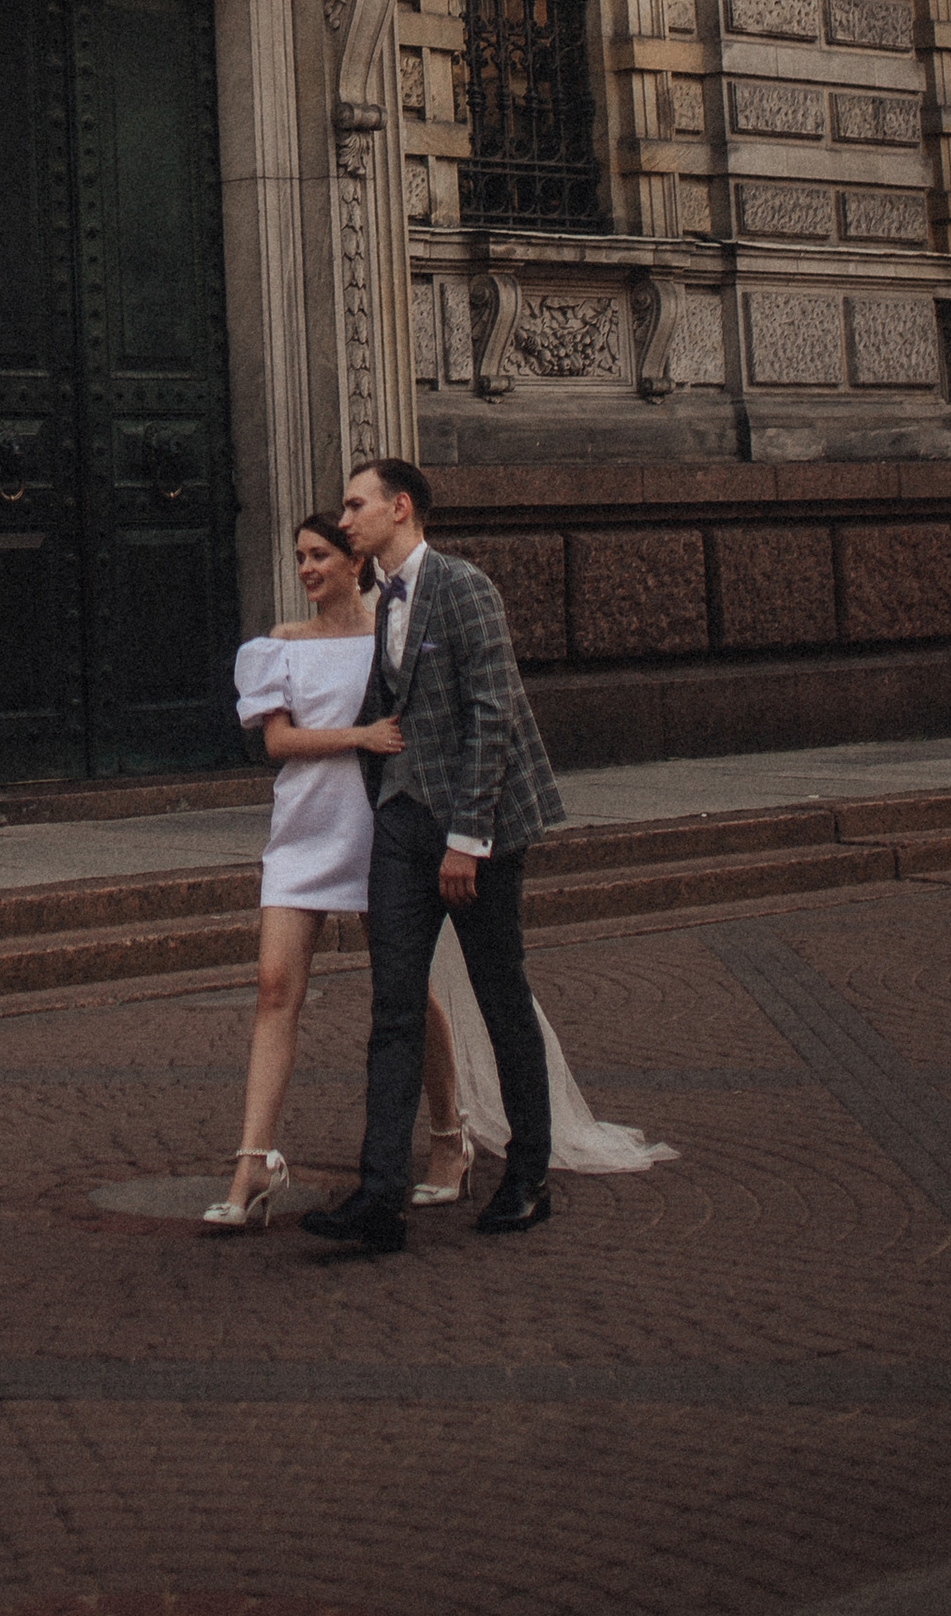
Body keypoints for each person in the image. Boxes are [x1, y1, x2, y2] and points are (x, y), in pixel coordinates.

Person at [209, 508, 670, 1231]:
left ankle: (448, 1137)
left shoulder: (397, 634)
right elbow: (277, 741)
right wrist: (360, 734)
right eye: (299, 556)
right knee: (274, 988)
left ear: (354, 561)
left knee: (405, 997)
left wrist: (462, 826)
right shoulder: (278, 647)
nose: (306, 569)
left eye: (320, 553)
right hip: (302, 833)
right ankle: (253, 1162)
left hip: (381, 830)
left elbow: (462, 714)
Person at [304, 459, 578, 1256]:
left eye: (356, 506)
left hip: (475, 829)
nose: (343, 519)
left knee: (501, 997)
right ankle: (380, 1197)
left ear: (400, 509)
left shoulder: (465, 588)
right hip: (402, 823)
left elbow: (492, 713)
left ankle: (528, 1177)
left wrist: (468, 838)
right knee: (393, 1008)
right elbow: (382, 710)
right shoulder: (378, 601)